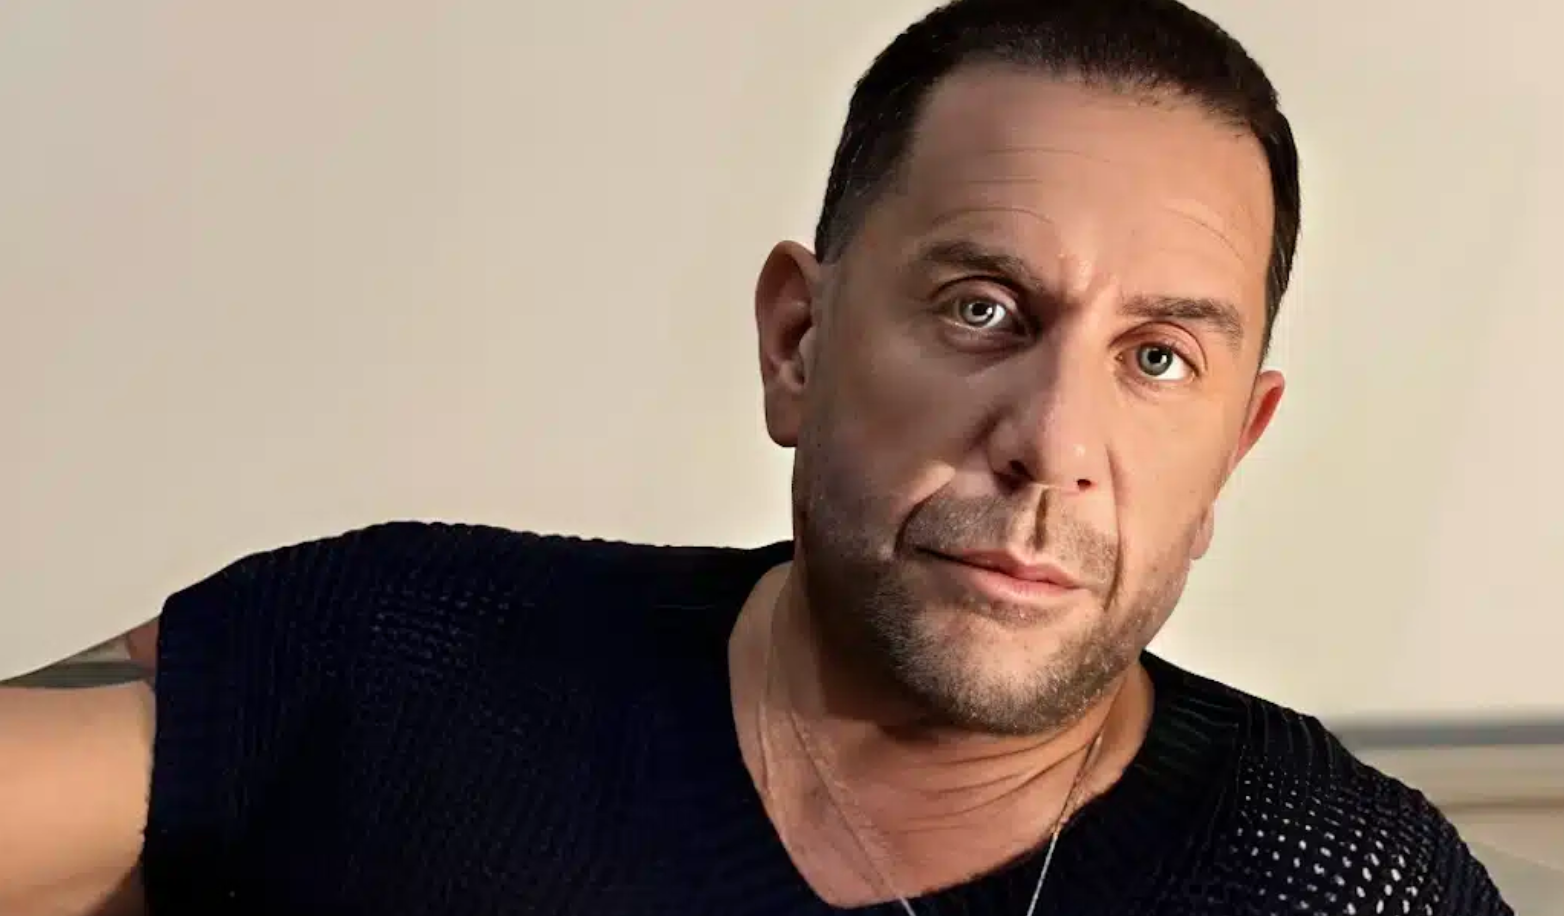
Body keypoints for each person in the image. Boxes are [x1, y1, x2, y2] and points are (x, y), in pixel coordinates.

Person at [0, 1, 1515, 914]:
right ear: (799, 339)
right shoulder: (404, 657)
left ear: (1236, 445)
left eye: (1159, 358)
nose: (1054, 443)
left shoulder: (1343, 884)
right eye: (982, 309)